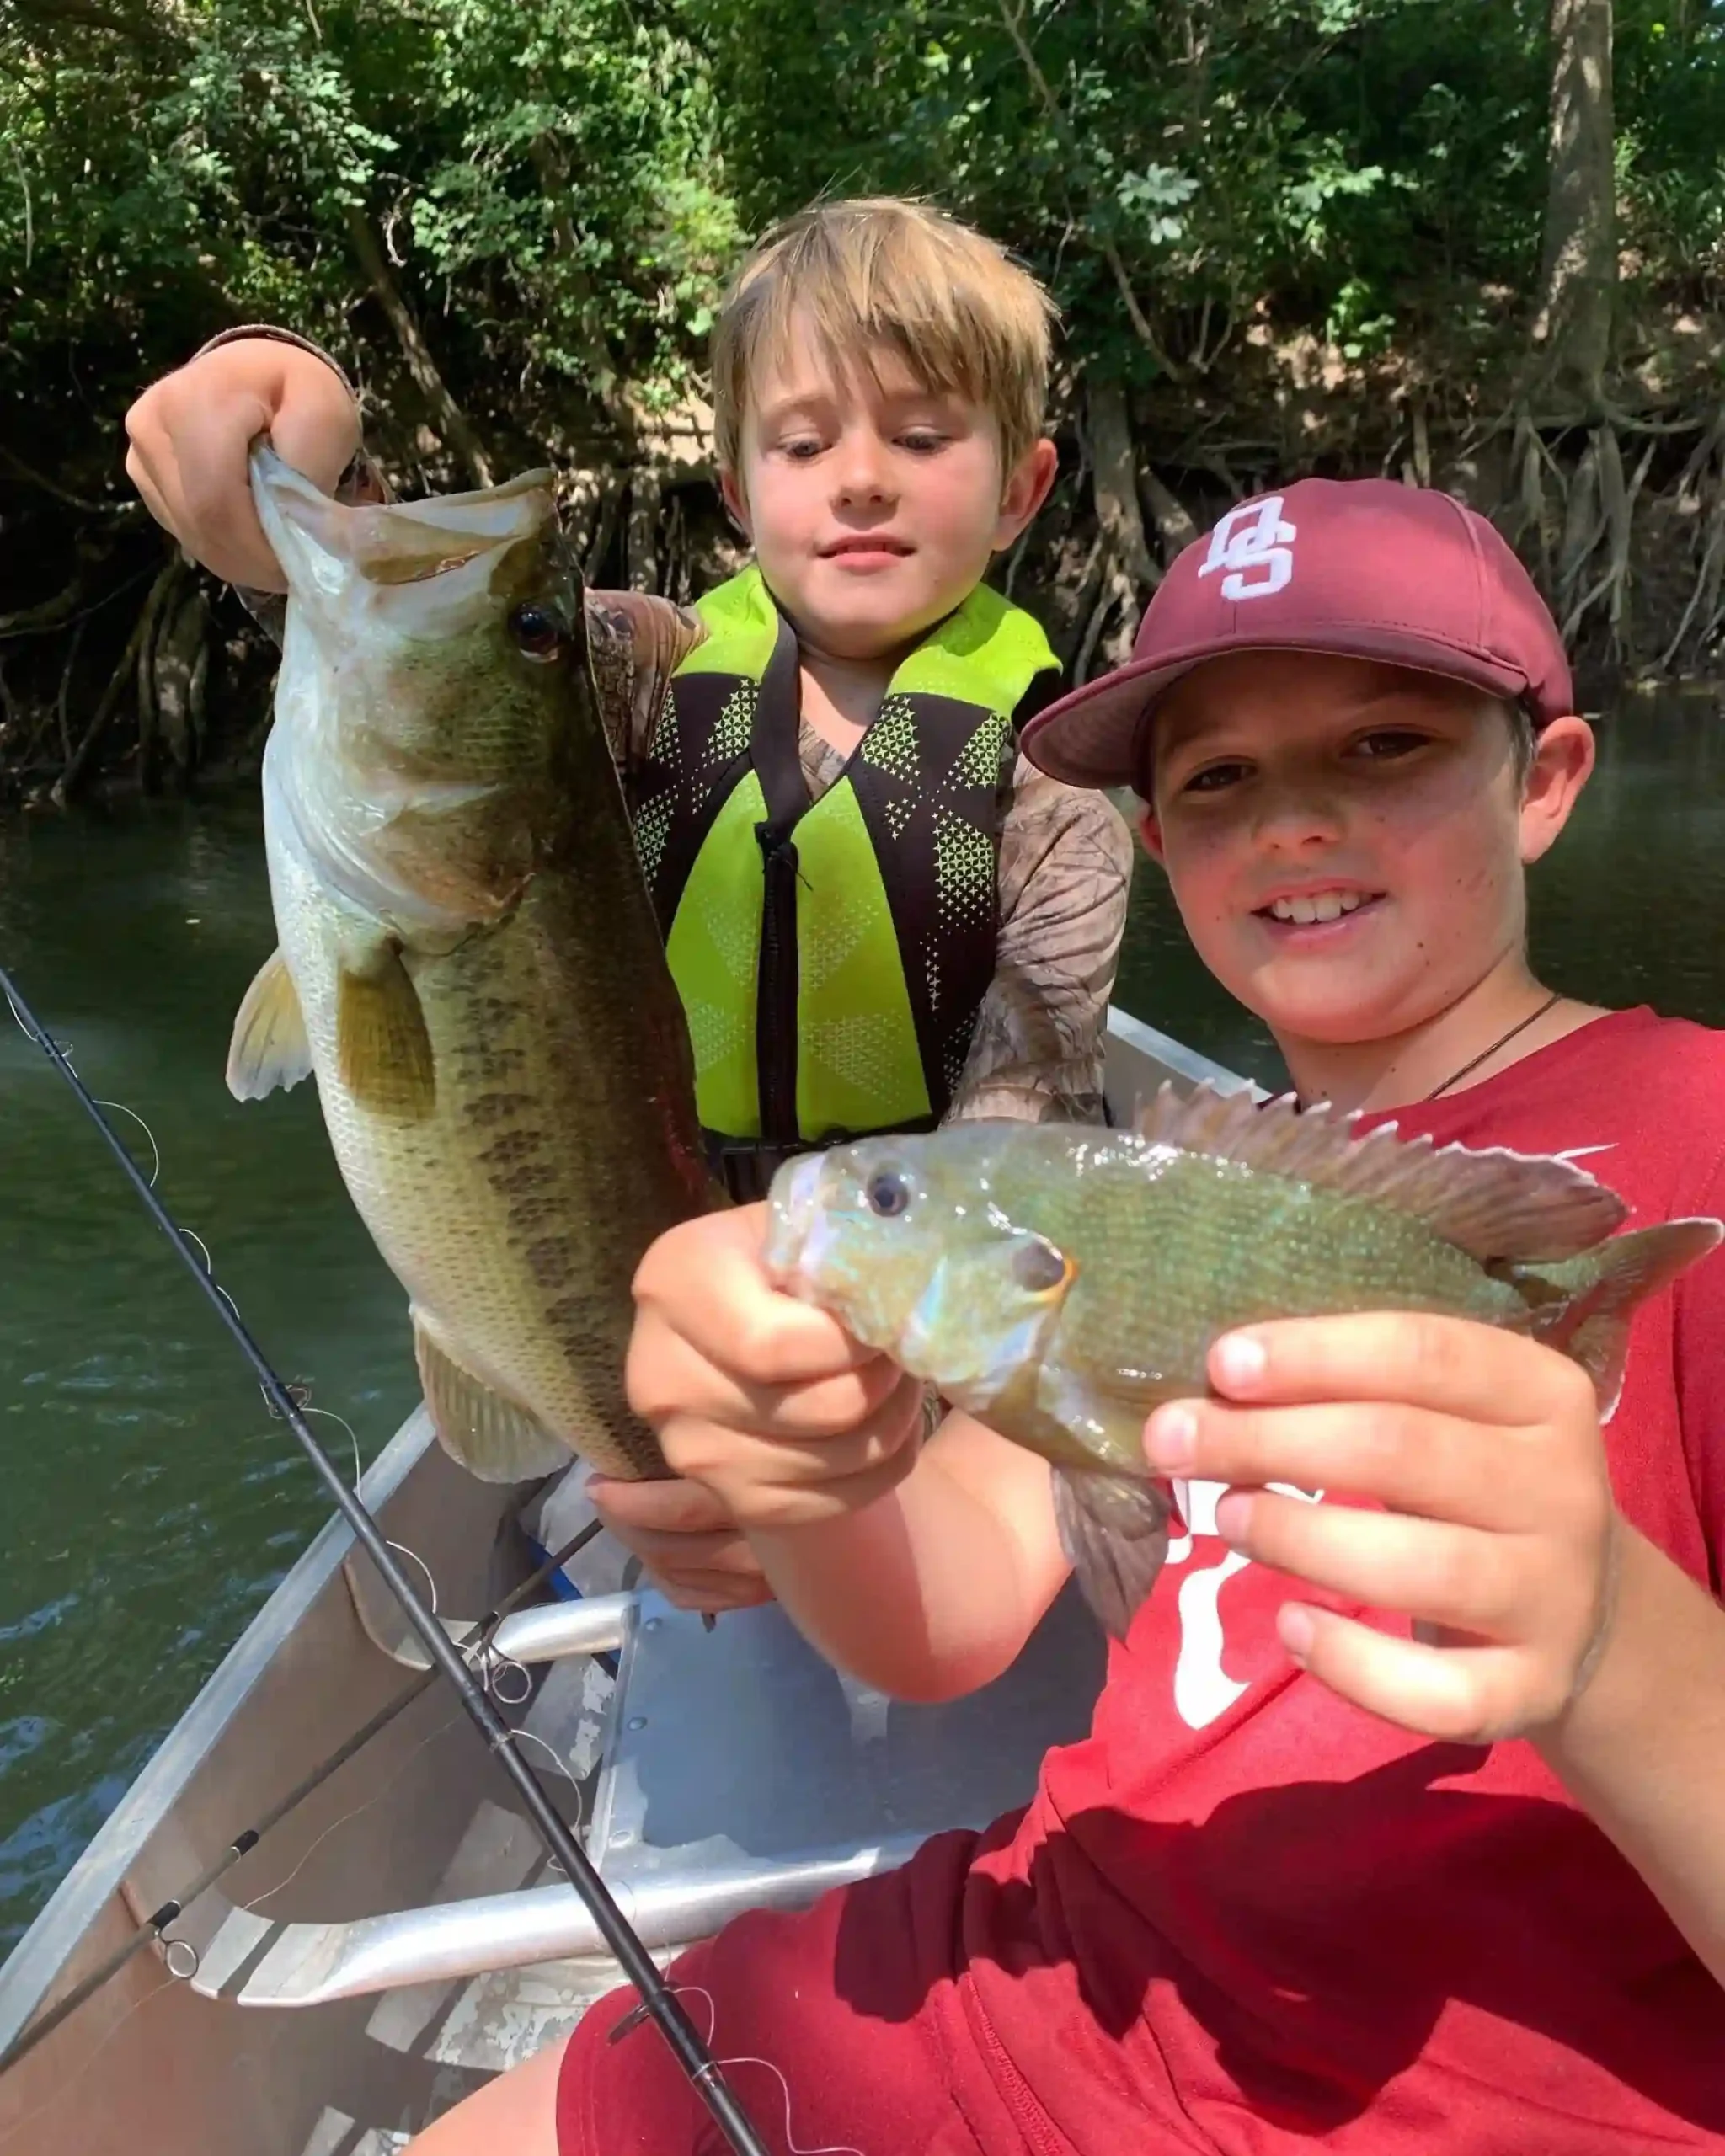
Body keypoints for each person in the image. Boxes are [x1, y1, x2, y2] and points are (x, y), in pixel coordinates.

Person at [403, 477, 1725, 2153]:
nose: (1294, 820)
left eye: (1383, 745)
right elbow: (936, 1614)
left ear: (1541, 782)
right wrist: (795, 1451)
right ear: (1157, 844)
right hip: (1048, 1964)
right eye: (1217, 777)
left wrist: (1608, 1635)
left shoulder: (1700, 1149)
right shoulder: (1132, 1195)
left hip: (1453, 2087)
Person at [123, 196, 1135, 1604]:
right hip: (630, 1312)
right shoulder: (643, 674)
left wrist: (885, 1418)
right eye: (801, 441)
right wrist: (264, 411)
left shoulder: (1056, 798)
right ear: (734, 485)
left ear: (1023, 487)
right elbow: (428, 637)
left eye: (920, 437)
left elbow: (1024, 1128)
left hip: (904, 1365)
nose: (859, 482)